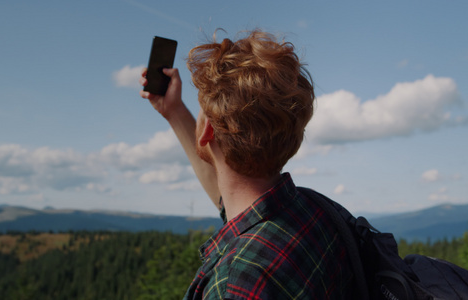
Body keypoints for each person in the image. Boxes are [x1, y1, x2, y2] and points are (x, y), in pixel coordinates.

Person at [140, 30, 354, 300]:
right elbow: (228, 198)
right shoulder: (315, 212)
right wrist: (174, 111)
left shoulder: (235, 282)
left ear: (207, 129)